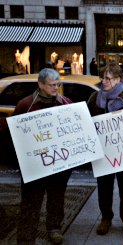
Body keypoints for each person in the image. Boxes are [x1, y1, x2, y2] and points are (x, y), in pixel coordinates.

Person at [13, 68, 73, 245]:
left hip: (59, 165)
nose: (56, 88)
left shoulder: (66, 103)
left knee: (56, 197)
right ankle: (25, 238)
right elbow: (14, 136)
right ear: (40, 84)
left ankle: (54, 228)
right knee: (31, 203)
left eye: (58, 84)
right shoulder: (25, 105)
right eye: (52, 85)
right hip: (34, 167)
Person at [87, 61, 123, 238]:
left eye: (108, 78)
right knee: (104, 188)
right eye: (103, 78)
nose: (104, 81)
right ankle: (106, 218)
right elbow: (87, 124)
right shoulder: (95, 99)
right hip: (103, 154)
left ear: (118, 79)